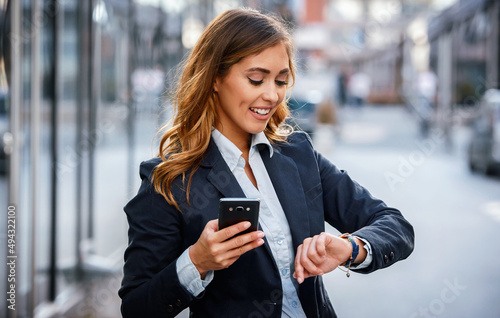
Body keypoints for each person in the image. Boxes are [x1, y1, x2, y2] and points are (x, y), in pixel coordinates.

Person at [119, 8, 414, 318]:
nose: (272, 95)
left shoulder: (298, 156)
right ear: (215, 78)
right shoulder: (168, 180)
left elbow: (395, 225)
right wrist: (196, 261)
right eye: (256, 79)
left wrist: (351, 249)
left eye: (281, 81)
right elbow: (137, 306)